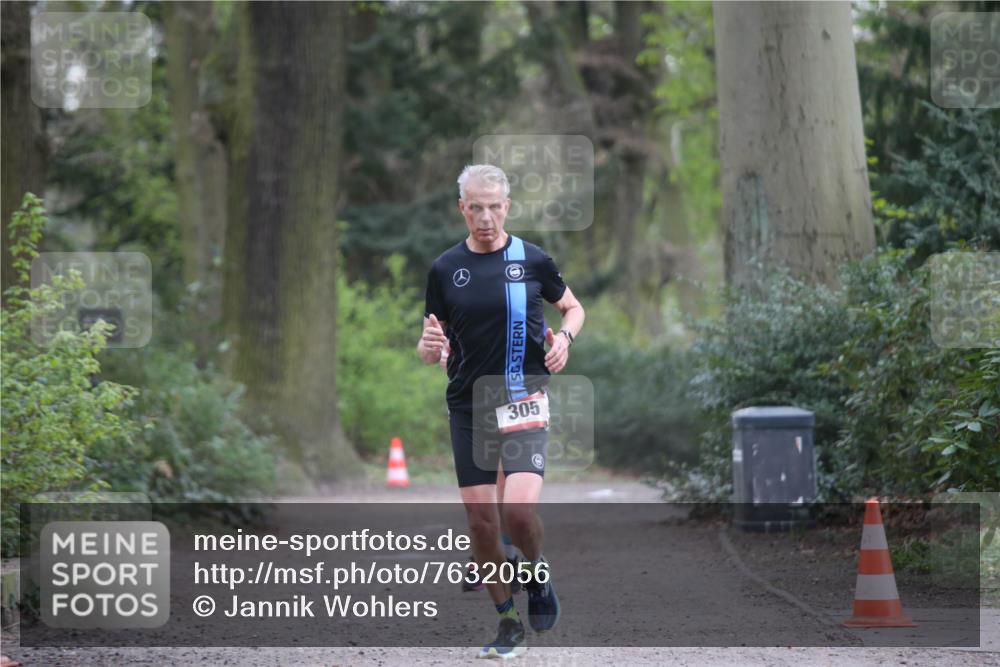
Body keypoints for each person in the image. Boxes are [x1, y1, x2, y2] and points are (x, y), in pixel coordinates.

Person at [417, 164, 585, 659]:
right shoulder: (445, 269)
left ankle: (536, 573)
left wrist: (566, 342)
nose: (485, 216)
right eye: (476, 207)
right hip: (470, 406)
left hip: (524, 396)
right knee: (482, 525)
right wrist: (428, 347)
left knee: (517, 510)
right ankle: (508, 623)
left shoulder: (533, 260)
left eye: (494, 206)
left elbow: (572, 308)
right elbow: (432, 345)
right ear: (462, 209)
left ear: (507, 207)